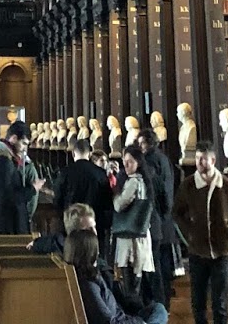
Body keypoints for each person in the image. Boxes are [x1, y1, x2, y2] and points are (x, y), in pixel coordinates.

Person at [172, 140, 228, 324]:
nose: (199, 163)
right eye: (197, 158)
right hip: (198, 250)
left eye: (203, 159)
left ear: (213, 160)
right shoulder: (189, 185)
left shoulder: (226, 185)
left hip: (221, 250)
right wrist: (189, 230)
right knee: (198, 300)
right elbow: (177, 211)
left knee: (219, 301)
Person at [63, 227, 168, 324]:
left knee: (158, 309)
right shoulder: (88, 285)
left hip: (124, 317)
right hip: (120, 321)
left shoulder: (91, 275)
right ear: (91, 253)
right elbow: (107, 321)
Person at [112, 147, 156, 304]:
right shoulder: (144, 181)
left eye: (130, 162)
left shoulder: (133, 182)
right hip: (140, 234)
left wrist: (115, 193)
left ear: (138, 163)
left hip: (130, 237)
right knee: (137, 276)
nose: (126, 165)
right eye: (124, 162)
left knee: (131, 280)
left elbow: (119, 205)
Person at [55, 135, 113, 253]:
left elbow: (58, 200)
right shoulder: (100, 173)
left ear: (73, 153)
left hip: (72, 224)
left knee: (73, 256)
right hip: (95, 223)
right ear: (90, 154)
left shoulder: (65, 172)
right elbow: (107, 202)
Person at [136, 127, 174, 305]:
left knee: (152, 265)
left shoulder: (148, 162)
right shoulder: (164, 159)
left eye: (141, 143)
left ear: (147, 144)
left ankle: (155, 303)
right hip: (164, 219)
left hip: (153, 219)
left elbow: (157, 191)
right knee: (162, 263)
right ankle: (164, 301)